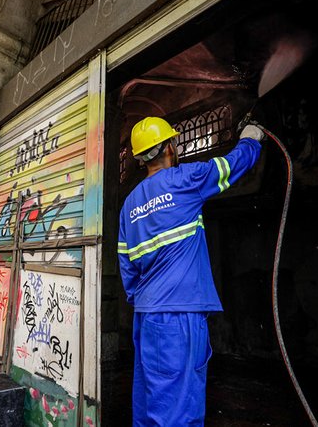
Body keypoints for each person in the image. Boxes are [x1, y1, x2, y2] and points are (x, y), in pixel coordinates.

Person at [118, 116, 265, 426]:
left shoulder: (129, 205)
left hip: (146, 317)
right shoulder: (186, 180)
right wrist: (251, 138)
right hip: (178, 316)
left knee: (148, 405)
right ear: (170, 147)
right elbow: (231, 167)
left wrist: (144, 301)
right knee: (178, 408)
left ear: (141, 158)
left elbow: (126, 266)